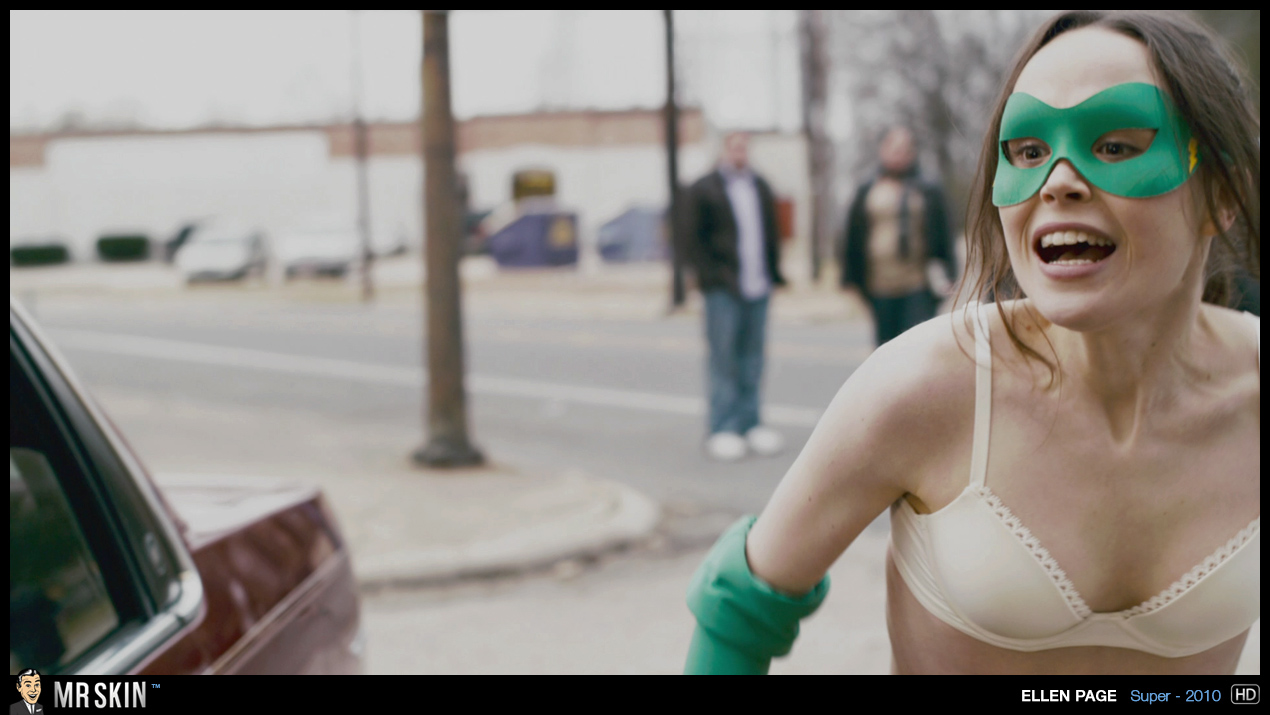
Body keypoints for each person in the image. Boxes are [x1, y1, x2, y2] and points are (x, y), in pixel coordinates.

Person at [686, 10, 1260, 674]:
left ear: (1221, 191)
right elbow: (739, 610)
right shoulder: (925, 386)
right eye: (1028, 151)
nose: (1059, 179)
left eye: (1115, 146)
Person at [684, 132, 788, 462]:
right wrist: (709, 278)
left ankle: (751, 423)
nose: (740, 152)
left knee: (753, 359)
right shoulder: (704, 188)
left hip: (758, 285)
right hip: (722, 289)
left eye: (744, 146)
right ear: (723, 150)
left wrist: (775, 272)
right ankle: (723, 427)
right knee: (724, 359)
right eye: (734, 146)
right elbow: (690, 239)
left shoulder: (761, 186)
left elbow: (771, 234)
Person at [840, 127, 957, 347]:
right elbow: (852, 235)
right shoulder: (868, 189)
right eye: (894, 148)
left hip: (917, 283)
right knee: (885, 347)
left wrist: (950, 273)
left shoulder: (928, 189)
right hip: (878, 284)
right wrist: (849, 278)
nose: (899, 154)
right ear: (882, 150)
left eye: (904, 149)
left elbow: (944, 233)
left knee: (916, 345)